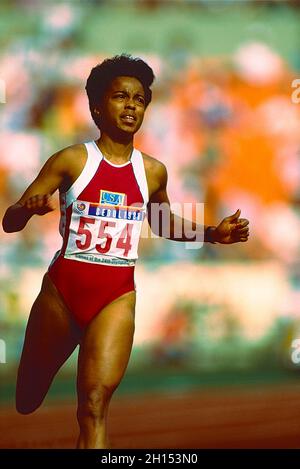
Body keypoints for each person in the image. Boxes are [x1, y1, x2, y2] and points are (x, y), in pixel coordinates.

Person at [2, 54, 249, 449]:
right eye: (121, 96)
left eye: (139, 99)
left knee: (94, 405)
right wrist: (24, 211)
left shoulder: (152, 172)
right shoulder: (71, 159)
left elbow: (164, 223)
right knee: (27, 400)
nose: (132, 105)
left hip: (116, 296)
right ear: (97, 106)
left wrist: (213, 234)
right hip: (62, 293)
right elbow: (9, 221)